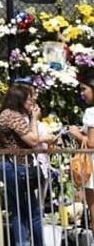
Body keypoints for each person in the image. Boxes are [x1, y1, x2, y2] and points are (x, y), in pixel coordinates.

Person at [0, 82, 57, 246]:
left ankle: (21, 242)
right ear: (20, 99)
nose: (33, 102)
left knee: (18, 210)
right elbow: (33, 140)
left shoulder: (6, 115)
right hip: (17, 167)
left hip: (10, 166)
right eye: (30, 98)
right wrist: (34, 119)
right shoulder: (13, 116)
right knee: (34, 212)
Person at [67, 73, 94, 225]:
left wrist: (76, 134)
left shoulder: (91, 112)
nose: (82, 93)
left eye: (84, 89)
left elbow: (91, 143)